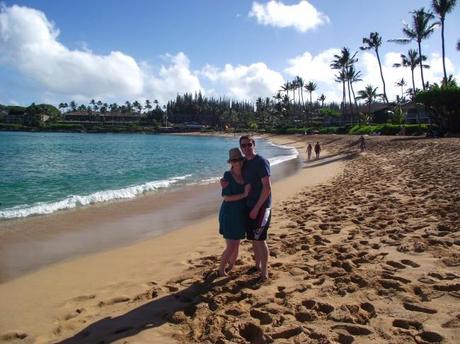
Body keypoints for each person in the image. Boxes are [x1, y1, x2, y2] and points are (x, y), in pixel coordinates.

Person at [239, 135, 272, 281]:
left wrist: (257, 208)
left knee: (260, 239)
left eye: (248, 145)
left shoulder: (261, 162)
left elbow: (267, 188)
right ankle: (257, 265)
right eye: (243, 146)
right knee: (253, 238)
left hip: (262, 207)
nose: (246, 148)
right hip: (248, 205)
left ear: (253, 144)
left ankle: (264, 273)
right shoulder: (244, 163)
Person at [218, 148, 250, 276]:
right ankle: (221, 270)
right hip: (229, 213)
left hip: (240, 214)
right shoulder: (227, 176)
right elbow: (226, 197)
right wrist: (244, 194)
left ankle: (231, 265)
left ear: (242, 160)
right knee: (230, 246)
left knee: (236, 244)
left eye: (239, 159)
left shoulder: (246, 174)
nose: (237, 162)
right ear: (231, 162)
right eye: (234, 160)